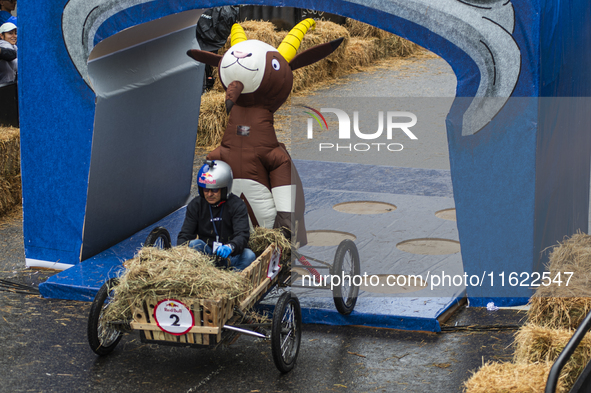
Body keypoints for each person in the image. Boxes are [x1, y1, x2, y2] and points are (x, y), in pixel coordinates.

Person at [177, 160, 256, 271]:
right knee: (194, 244)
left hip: (230, 255)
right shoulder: (196, 205)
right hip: (207, 256)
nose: (209, 194)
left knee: (249, 255)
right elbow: (184, 236)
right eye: (205, 189)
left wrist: (230, 247)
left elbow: (242, 235)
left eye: (214, 190)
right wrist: (179, 254)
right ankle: (203, 274)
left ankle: (233, 279)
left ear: (225, 188)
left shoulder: (237, 205)